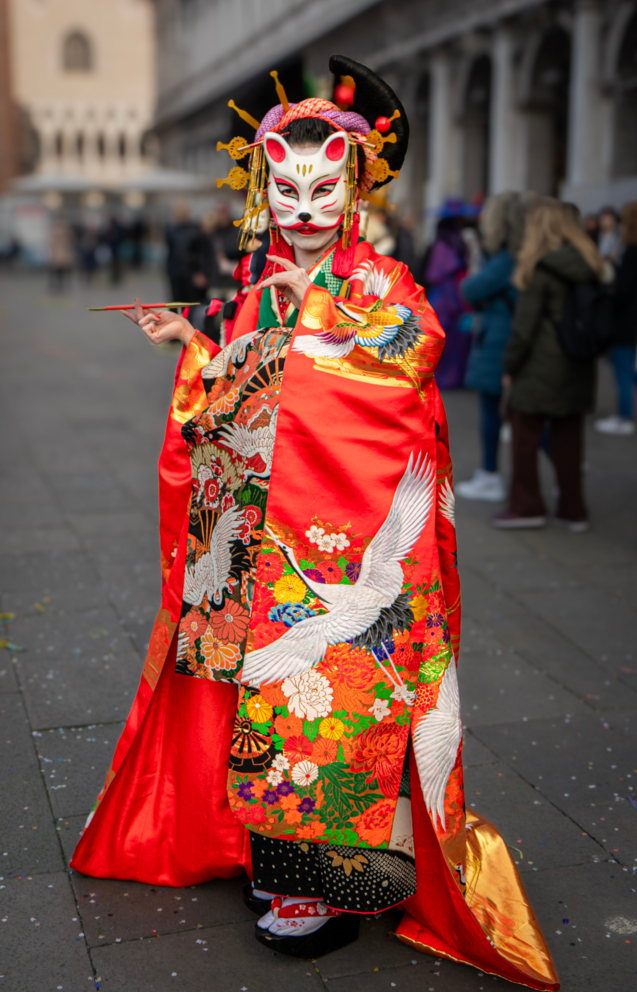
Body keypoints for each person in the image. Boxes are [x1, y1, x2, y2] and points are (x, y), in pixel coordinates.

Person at [71, 57, 558, 990]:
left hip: (338, 543)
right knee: (260, 710)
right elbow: (230, 386)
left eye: (322, 187)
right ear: (261, 190)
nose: (301, 206)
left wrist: (308, 337)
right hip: (259, 543)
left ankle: (331, 889)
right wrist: (202, 349)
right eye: (283, 188)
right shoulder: (259, 282)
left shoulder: (386, 285)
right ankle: (267, 860)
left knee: (332, 721)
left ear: (355, 189)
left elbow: (408, 368)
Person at [493, 197, 606, 531]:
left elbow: (524, 329)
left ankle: (527, 506)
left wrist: (510, 367)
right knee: (569, 439)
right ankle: (574, 510)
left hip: (540, 366)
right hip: (579, 362)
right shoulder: (591, 263)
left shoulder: (542, 268)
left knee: (524, 437)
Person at [456, 192, 531, 502]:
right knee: (518, 415)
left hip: (499, 343)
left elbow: (470, 289)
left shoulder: (504, 259)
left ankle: (490, 475)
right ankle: (566, 476)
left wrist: (477, 259)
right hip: (505, 339)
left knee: (503, 413)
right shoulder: (518, 253)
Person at [595, 200, 637, 436]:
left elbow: (623, 290)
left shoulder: (631, 252)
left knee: (622, 367)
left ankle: (624, 416)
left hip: (625, 318)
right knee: (628, 367)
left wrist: (612, 277)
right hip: (630, 317)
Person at [423, 207, 471, 389]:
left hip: (442, 299)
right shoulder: (458, 244)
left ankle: (444, 378)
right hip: (457, 297)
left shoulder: (440, 245)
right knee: (456, 341)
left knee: (442, 341)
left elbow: (433, 275)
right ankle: (455, 377)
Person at [165, 201, 207, 305]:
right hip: (175, 272)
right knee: (176, 302)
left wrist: (200, 272)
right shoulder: (171, 230)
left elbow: (202, 253)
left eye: (182, 212)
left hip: (191, 273)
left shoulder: (195, 230)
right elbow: (171, 250)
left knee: (191, 303)